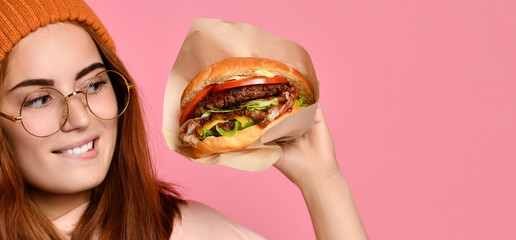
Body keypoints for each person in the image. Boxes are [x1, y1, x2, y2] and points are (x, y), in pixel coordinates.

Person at [0, 0, 368, 239]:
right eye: (39, 99)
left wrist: (324, 183)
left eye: (94, 84)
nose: (80, 117)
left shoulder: (191, 231)